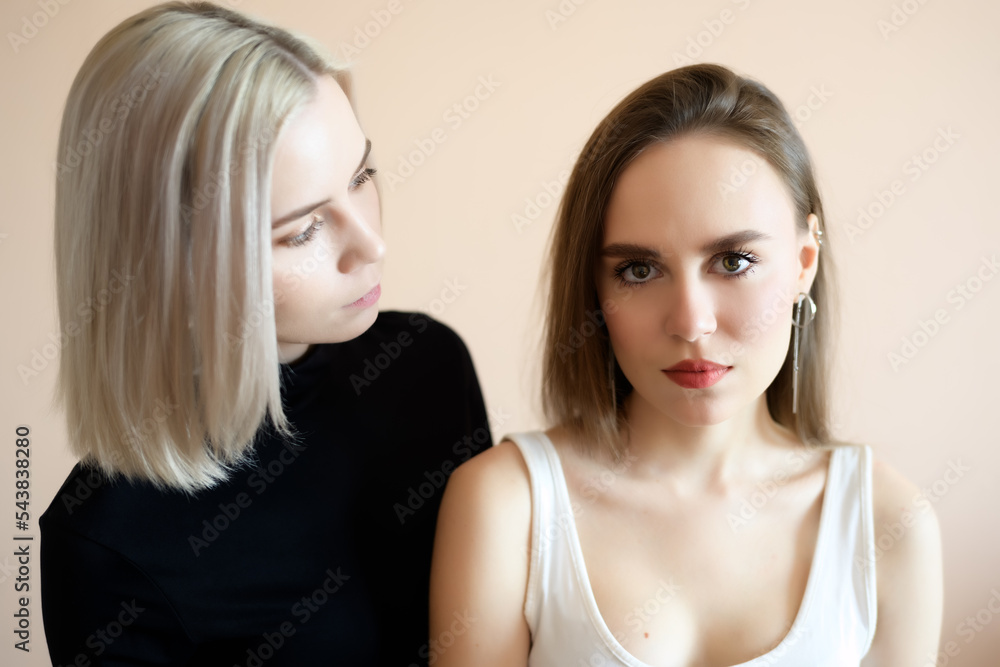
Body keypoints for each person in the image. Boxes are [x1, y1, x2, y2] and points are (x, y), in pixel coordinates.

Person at [429, 63, 943, 665]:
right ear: (594, 286)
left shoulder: (887, 525)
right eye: (639, 270)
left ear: (804, 262)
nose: (690, 322)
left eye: (733, 261)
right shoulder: (506, 506)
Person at [39, 3, 491, 665]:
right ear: (168, 268)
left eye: (361, 176)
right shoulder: (106, 543)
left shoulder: (426, 364)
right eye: (302, 230)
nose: (372, 243)